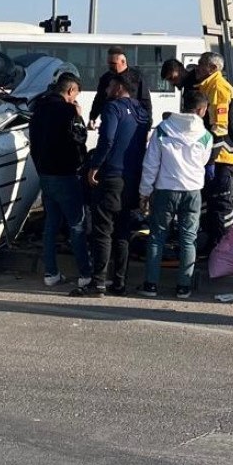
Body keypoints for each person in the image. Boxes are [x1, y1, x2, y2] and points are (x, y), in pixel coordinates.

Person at [72, 73, 150, 298]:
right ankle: (120, 282)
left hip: (112, 176)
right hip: (132, 178)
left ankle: (98, 283)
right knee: (123, 230)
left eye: (109, 87)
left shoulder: (113, 108)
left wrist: (95, 165)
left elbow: (107, 139)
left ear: (118, 88)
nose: (106, 91)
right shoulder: (142, 113)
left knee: (103, 230)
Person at [138, 90, 213, 299]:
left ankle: (151, 285)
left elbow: (151, 164)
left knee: (157, 237)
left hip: (165, 190)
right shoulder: (206, 135)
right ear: (201, 110)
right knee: (188, 239)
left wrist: (144, 191)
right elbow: (204, 161)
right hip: (193, 191)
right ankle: (183, 287)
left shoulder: (163, 129)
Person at [28, 73, 92, 288]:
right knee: (77, 224)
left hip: (45, 174)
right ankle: (85, 274)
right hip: (66, 174)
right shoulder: (68, 110)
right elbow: (80, 138)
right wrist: (79, 115)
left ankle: (51, 273)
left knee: (51, 224)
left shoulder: (39, 108)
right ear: (71, 91)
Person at [196, 52, 233, 252]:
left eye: (201, 64)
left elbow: (219, 129)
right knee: (209, 202)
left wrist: (211, 159)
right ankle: (209, 242)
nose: (197, 68)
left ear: (213, 68)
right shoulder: (208, 86)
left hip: (222, 156)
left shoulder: (219, 88)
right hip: (215, 156)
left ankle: (224, 245)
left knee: (221, 203)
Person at [89, 46, 152, 129]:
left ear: (123, 61)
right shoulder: (106, 78)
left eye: (113, 63)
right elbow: (99, 99)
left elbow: (145, 103)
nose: (110, 66)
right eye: (109, 63)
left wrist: (147, 127)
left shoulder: (137, 78)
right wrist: (92, 117)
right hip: (110, 121)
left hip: (131, 123)